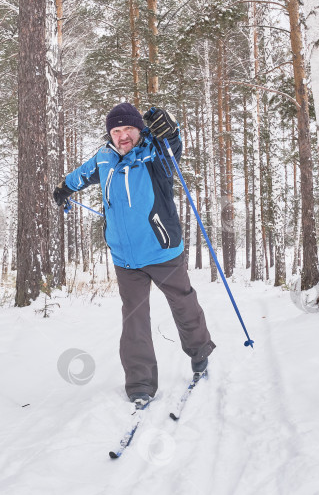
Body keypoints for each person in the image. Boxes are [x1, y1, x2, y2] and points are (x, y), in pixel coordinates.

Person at [52, 103, 215, 408]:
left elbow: (172, 149)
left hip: (162, 249)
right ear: (110, 134)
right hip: (125, 258)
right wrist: (64, 187)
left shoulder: (155, 153)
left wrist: (172, 133)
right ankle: (140, 383)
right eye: (116, 130)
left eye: (128, 129)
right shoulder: (104, 157)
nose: (122, 135)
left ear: (140, 130)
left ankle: (200, 351)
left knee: (183, 302)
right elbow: (83, 174)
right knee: (134, 319)